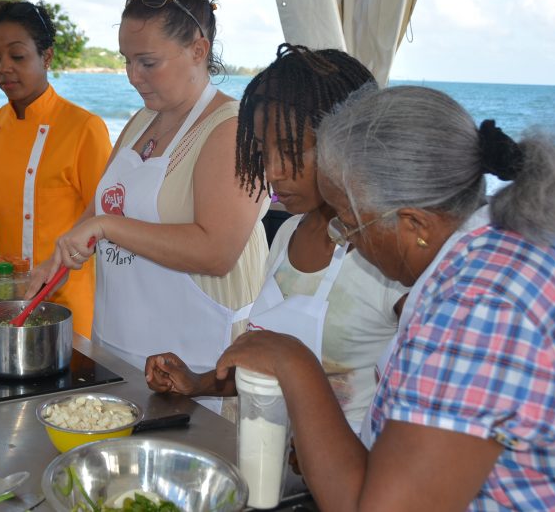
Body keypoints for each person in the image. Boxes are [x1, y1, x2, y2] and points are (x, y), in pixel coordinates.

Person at [217, 85, 555, 510]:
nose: (349, 242)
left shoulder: (478, 307)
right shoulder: (520, 242)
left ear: (415, 223)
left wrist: (296, 365)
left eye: (349, 223)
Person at [36, 0, 268, 405]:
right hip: (121, 348)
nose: (132, 76)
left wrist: (106, 228)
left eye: (147, 62)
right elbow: (103, 206)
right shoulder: (141, 121)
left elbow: (216, 252)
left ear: (198, 50)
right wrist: (58, 258)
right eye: (126, 60)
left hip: (197, 368)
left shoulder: (232, 129)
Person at [145, 44, 407, 432]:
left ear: (346, 141)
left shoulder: (388, 260)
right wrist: (197, 382)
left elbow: (419, 401)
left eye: (290, 150)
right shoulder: (287, 235)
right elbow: (265, 363)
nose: (273, 171)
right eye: (264, 154)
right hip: (273, 466)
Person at [0, 0, 111, 337]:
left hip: (65, 302)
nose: (3, 68)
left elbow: (106, 218)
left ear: (46, 57)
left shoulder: (83, 128)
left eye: (17, 56)